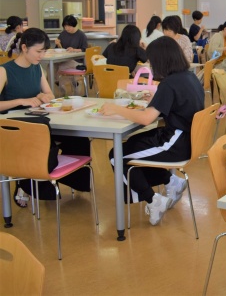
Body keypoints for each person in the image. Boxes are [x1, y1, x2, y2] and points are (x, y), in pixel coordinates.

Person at [99, 36, 204, 225]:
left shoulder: (169, 83)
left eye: (151, 61)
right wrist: (156, 99)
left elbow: (147, 118)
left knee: (117, 155)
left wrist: (115, 109)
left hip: (175, 144)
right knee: (131, 144)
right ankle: (171, 181)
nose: (150, 65)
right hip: (187, 139)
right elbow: (176, 105)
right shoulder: (189, 77)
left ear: (160, 61)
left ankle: (153, 200)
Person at [0, 28, 91, 206]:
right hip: (14, 129)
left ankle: (69, 180)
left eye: (44, 52)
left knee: (78, 139)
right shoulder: (4, 71)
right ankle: (27, 182)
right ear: (24, 48)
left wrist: (44, 96)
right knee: (43, 137)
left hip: (38, 122)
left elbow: (50, 94)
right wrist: (21, 101)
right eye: (38, 51)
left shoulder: (37, 68)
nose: (41, 56)